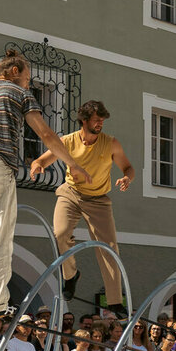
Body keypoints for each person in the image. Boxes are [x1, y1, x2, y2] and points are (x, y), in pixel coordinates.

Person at [0, 48, 91, 318]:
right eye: (28, 78)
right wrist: (73, 164)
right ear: (13, 72)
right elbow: (45, 133)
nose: (29, 83)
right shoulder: (19, 94)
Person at [30, 100, 134, 318]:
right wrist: (37, 165)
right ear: (84, 120)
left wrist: (127, 178)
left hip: (98, 200)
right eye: (97, 120)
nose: (100, 124)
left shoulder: (111, 143)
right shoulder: (67, 141)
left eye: (103, 120)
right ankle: (70, 275)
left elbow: (128, 167)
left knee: (109, 248)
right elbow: (43, 159)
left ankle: (115, 300)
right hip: (71, 193)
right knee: (60, 233)